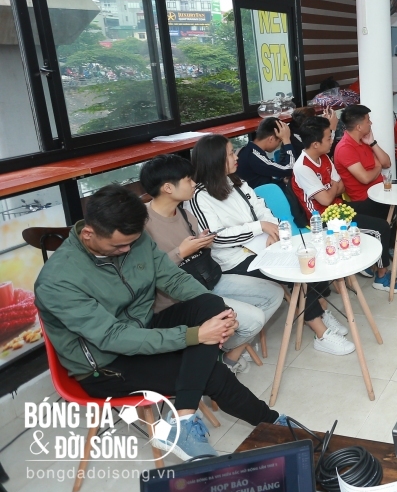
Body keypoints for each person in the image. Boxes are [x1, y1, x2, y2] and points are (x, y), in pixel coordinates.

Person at [34, 185, 287, 461]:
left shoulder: (135, 239)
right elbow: (113, 337)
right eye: (118, 246)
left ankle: (182, 420)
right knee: (211, 373)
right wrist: (194, 336)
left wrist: (222, 316)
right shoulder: (58, 280)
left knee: (211, 305)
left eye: (132, 242)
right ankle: (273, 423)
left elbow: (173, 279)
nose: (127, 249)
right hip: (106, 364)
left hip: (144, 328)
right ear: (88, 234)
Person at [189, 134, 354, 357]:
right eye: (230, 153)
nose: (236, 156)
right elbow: (216, 237)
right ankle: (321, 333)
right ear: (214, 160)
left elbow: (262, 210)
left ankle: (322, 312)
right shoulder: (200, 196)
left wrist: (271, 229)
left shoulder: (236, 182)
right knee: (295, 271)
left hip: (261, 245)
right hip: (233, 260)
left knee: (308, 257)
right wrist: (259, 227)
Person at [141, 155, 284, 375]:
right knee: (254, 319)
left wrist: (203, 243)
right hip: (176, 299)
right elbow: (144, 274)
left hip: (206, 279)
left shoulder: (185, 214)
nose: (194, 183)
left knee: (274, 293)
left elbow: (203, 251)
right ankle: (219, 358)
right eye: (188, 180)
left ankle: (227, 356)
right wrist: (181, 252)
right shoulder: (143, 223)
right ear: (168, 188)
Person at [294, 115, 397, 293]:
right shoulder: (302, 167)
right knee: (381, 228)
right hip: (323, 218)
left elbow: (341, 187)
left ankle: (370, 258)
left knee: (382, 207)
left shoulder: (324, 157)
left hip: (339, 209)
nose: (332, 141)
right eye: (328, 138)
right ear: (315, 144)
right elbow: (325, 200)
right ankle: (382, 276)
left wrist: (331, 189)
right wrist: (332, 188)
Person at [235, 117, 298, 189]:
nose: (279, 145)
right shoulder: (254, 156)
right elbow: (290, 168)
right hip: (261, 193)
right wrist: (286, 140)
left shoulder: (249, 150)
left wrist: (283, 181)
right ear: (271, 139)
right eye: (279, 141)